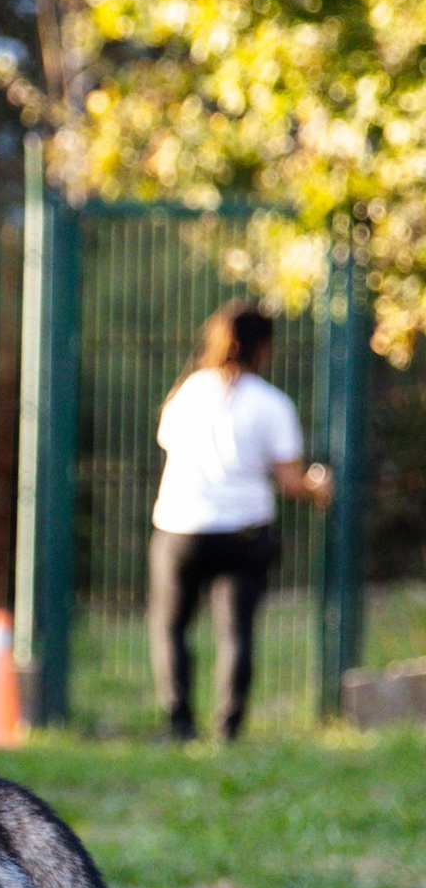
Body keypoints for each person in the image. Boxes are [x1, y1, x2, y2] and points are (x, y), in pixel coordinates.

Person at [148, 302, 333, 744]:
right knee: (236, 633)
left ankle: (179, 726)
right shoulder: (272, 404)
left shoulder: (188, 391)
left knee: (170, 627)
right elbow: (290, 482)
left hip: (182, 526)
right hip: (244, 532)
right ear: (263, 347)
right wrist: (317, 486)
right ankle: (227, 729)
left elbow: (166, 441)